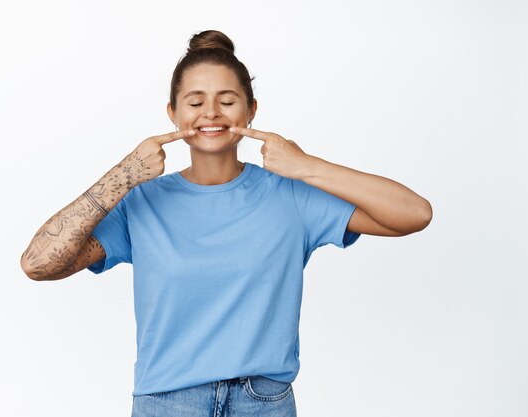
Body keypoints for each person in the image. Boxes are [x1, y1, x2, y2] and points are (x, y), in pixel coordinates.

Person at [21, 30, 432, 417]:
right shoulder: (141, 202)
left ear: (252, 110)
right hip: (167, 403)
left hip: (263, 402)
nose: (211, 113)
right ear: (173, 113)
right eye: (195, 101)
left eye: (227, 100)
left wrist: (306, 165)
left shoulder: (289, 195)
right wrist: (122, 176)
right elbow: (38, 265)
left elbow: (414, 214)